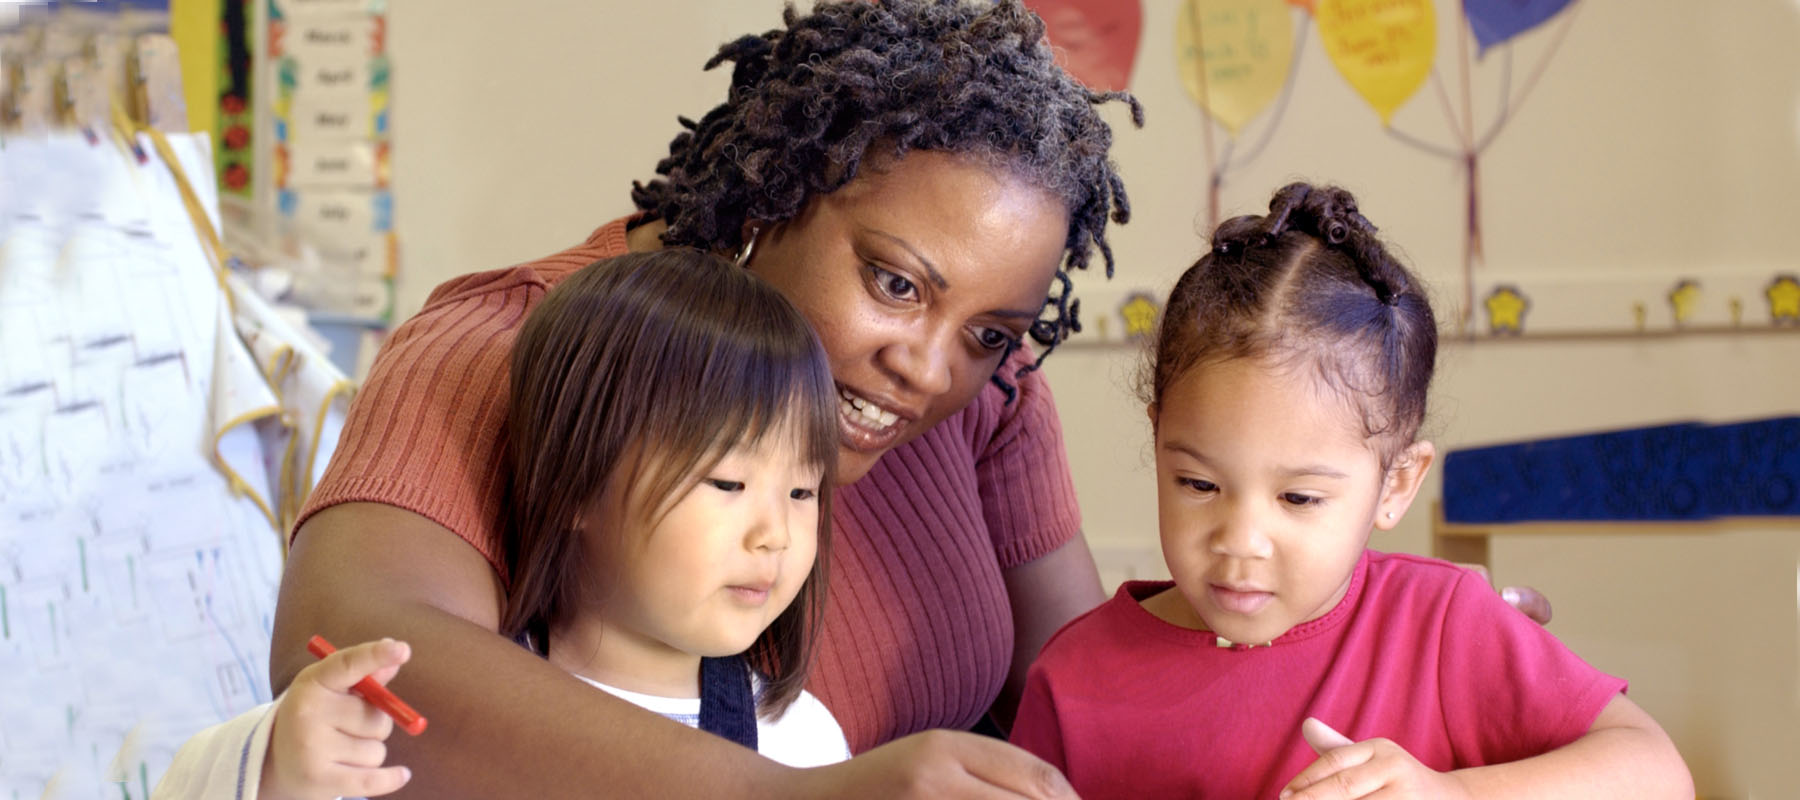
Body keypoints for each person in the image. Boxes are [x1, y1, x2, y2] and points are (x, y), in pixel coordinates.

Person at [268, 2, 1545, 796]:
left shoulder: (987, 397)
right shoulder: (512, 343)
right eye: (893, 282)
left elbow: (1098, 693)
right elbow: (359, 652)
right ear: (773, 199)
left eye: (989, 330)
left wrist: (1392, 657)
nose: (930, 369)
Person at [1008, 183, 1692, 798]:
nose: (1239, 541)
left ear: (1396, 483)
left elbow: (1657, 772)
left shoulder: (1444, 625)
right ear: (1158, 440)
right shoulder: (1074, 679)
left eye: (1298, 498)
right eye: (1199, 483)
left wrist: (1450, 795)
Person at [156, 251, 850, 799]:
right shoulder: (446, 711)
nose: (776, 535)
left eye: (802, 491)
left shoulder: (803, 745)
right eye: (728, 484)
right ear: (578, 479)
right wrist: (281, 767)